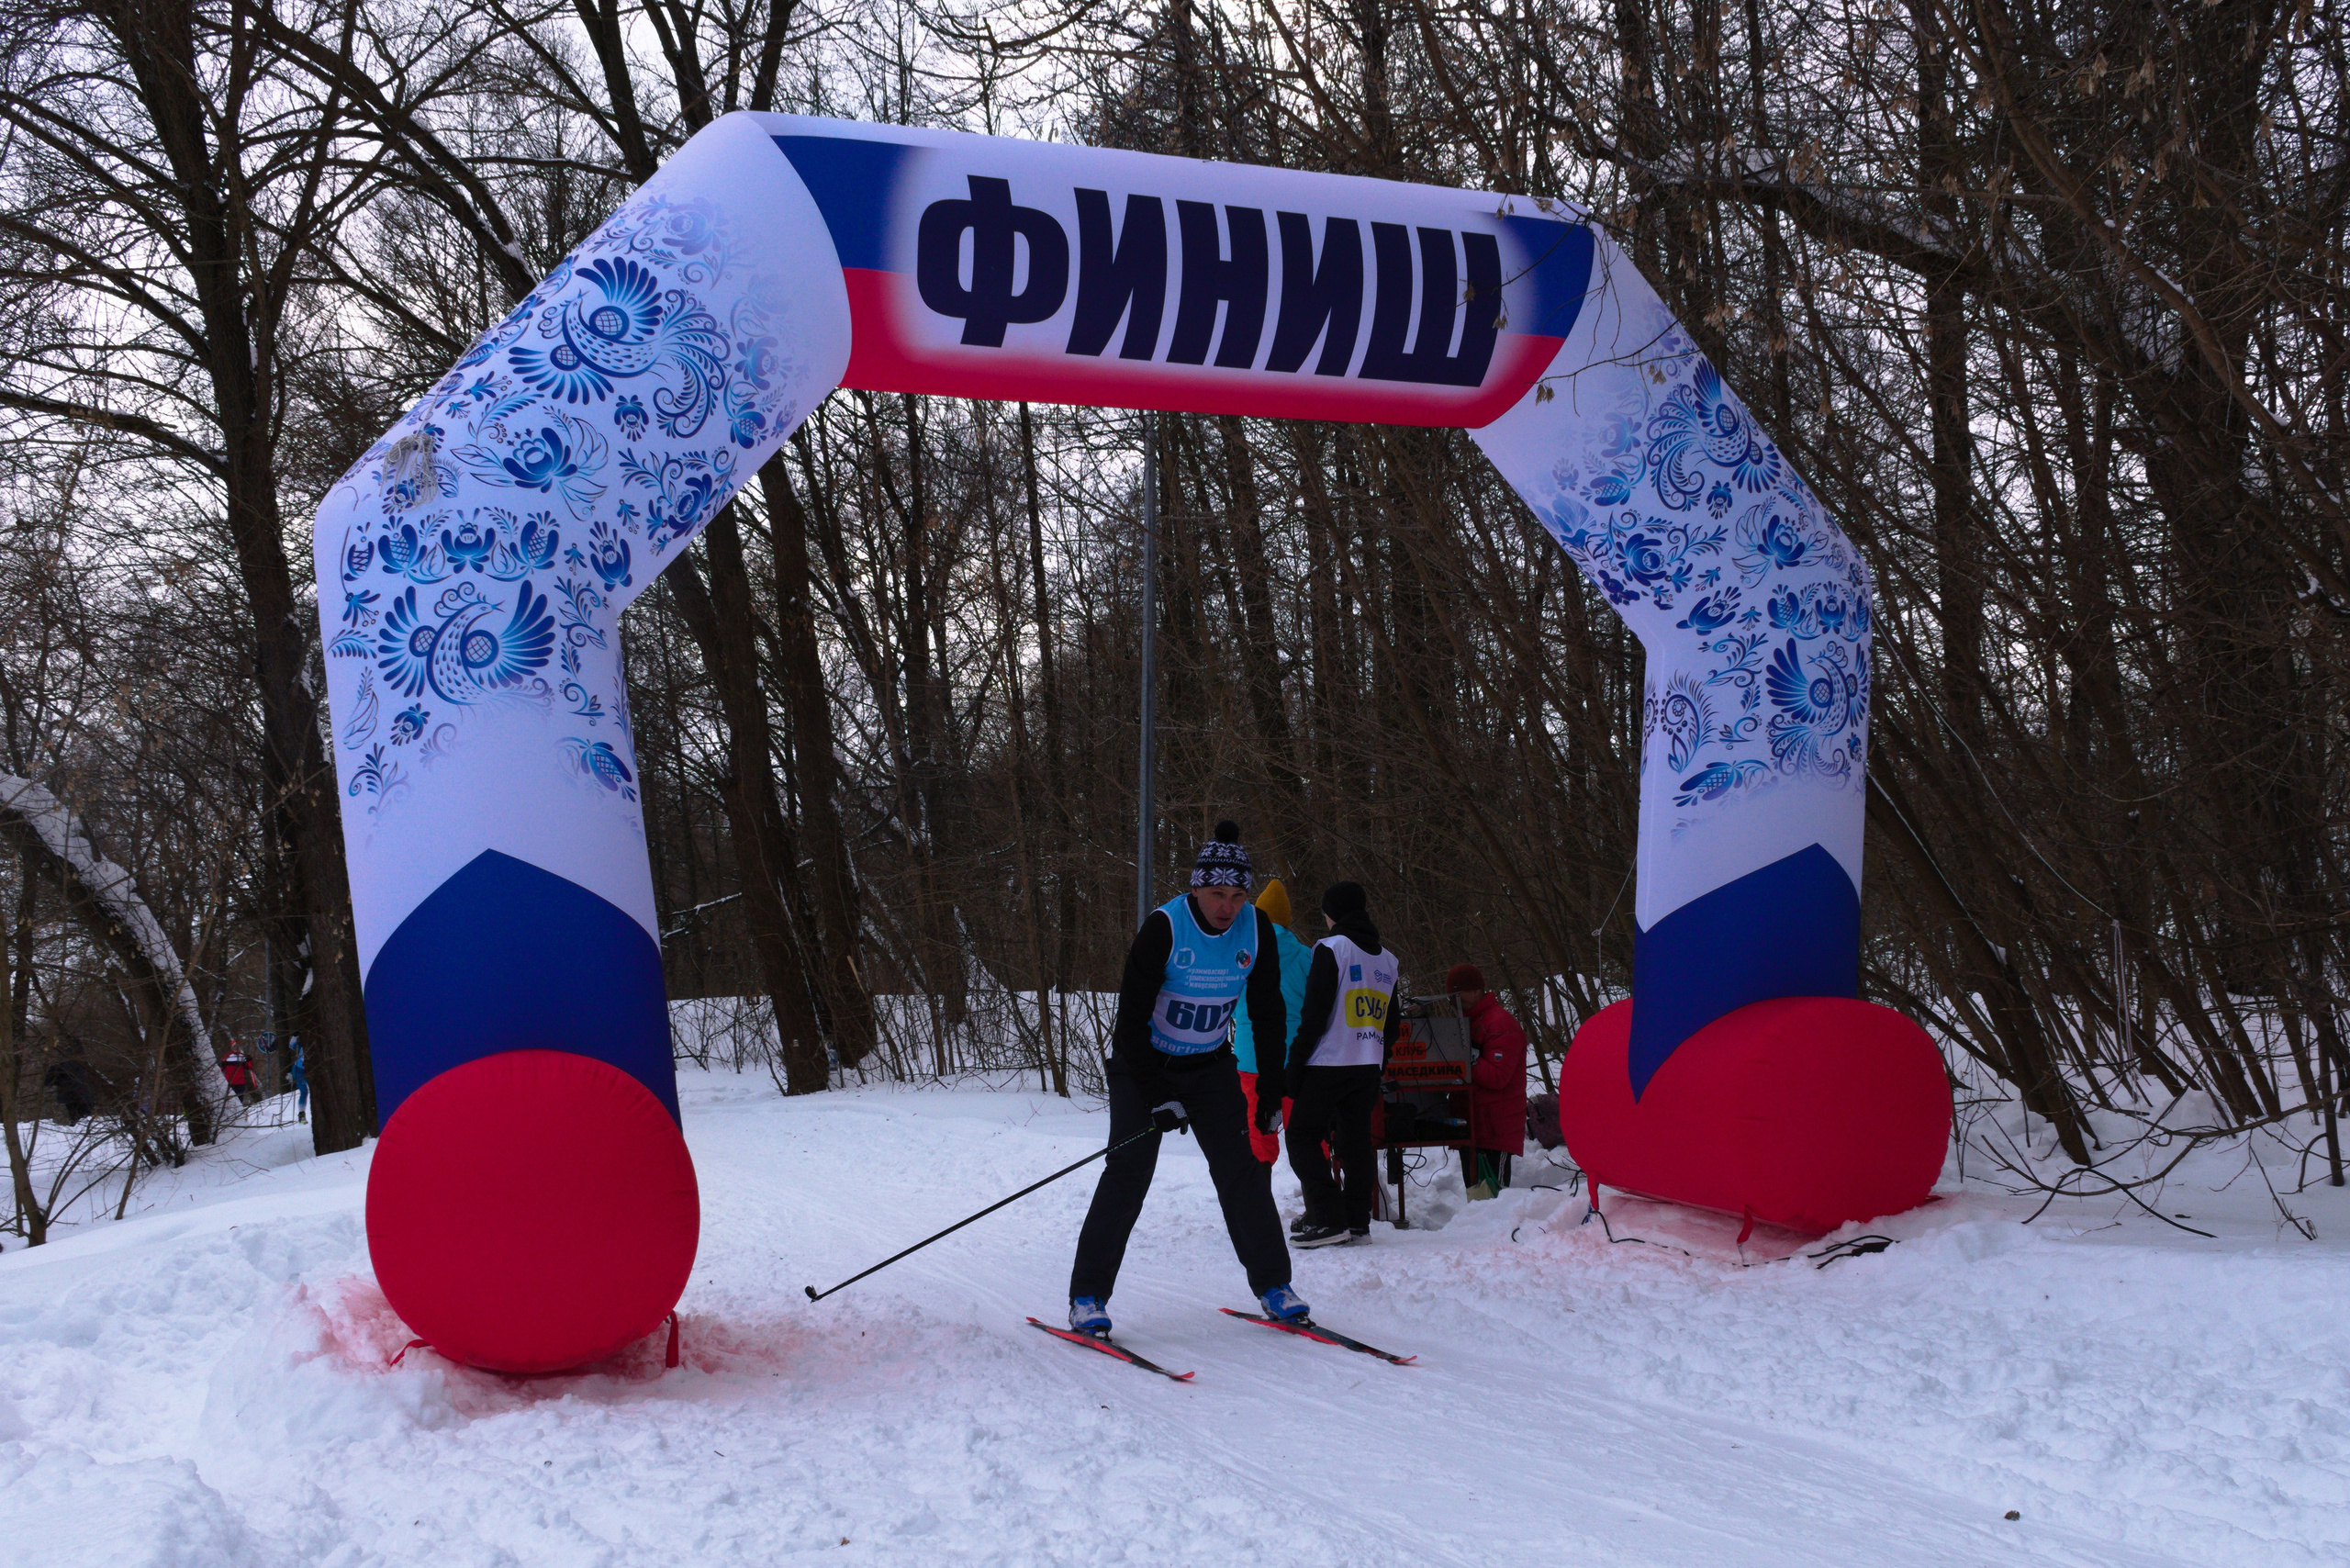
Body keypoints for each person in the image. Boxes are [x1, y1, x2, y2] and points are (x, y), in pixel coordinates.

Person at [1068, 821, 1308, 1336]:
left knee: (1242, 1171)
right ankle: (1087, 1296)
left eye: (1238, 895)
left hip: (1210, 1067)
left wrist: (1270, 1087)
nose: (1227, 906)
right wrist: (1155, 1095)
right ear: (1195, 888)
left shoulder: (1256, 929)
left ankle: (1274, 1285)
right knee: (1128, 1174)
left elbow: (1266, 1014)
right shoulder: (1165, 928)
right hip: (1144, 1067)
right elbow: (1128, 1021)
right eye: (1217, 894)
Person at [1285, 881, 1400, 1248]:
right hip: (1366, 1063)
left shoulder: (1332, 949)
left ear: (1332, 913)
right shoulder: (1387, 959)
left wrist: (1295, 1063)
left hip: (1328, 1061)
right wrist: (1379, 1058)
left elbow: (1314, 1014)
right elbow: (1392, 1023)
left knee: (1302, 1136)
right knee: (1356, 1143)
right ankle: (1357, 1221)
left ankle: (1328, 1217)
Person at [1231, 878, 1314, 1166]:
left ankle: (1259, 1207)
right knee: (1306, 1136)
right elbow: (1317, 1008)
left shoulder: (1242, 957)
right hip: (1297, 1062)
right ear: (1287, 920)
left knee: (1259, 1135)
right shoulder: (1307, 957)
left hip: (1251, 1058)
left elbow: (1228, 1003)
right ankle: (1318, 1208)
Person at [1449, 963, 1528, 1198]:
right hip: (1473, 1125)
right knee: (1476, 1199)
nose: (1454, 1001)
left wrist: (1467, 1059)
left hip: (1494, 1128)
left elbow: (1498, 1076)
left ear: (1475, 991)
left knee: (1494, 1200)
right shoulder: (1470, 1023)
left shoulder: (1499, 1023)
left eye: (1458, 994)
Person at [218, 1042, 258, 1107]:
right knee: (233, 1101)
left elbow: (249, 1067)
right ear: (232, 1048)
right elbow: (221, 1068)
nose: (236, 1048)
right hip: (232, 1082)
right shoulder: (227, 1057)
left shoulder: (242, 1056)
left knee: (238, 1100)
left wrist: (249, 1060)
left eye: (237, 1047)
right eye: (235, 1047)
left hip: (238, 1082)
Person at [289, 1042, 308, 1124]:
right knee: (304, 1092)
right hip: (299, 1070)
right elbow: (291, 1045)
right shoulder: (302, 1044)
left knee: (305, 1092)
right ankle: (301, 1115)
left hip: (304, 1070)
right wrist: (294, 1036)